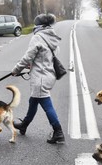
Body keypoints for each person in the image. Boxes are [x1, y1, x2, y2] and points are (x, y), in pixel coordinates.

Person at [11, 13, 65, 144]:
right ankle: (24, 124)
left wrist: (16, 70)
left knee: (46, 104)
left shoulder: (38, 37)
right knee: (33, 101)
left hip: (40, 77)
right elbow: (48, 56)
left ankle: (58, 131)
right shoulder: (53, 37)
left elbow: (28, 57)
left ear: (40, 25)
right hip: (49, 75)